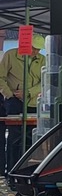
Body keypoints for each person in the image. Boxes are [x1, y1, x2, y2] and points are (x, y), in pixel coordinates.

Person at [0, 34, 46, 174]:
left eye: (38, 49)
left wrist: (29, 92)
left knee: (31, 137)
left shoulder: (43, 59)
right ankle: (12, 170)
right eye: (33, 48)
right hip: (14, 102)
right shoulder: (10, 55)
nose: (36, 52)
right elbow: (1, 77)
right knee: (15, 138)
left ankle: (28, 171)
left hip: (33, 102)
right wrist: (10, 95)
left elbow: (45, 81)